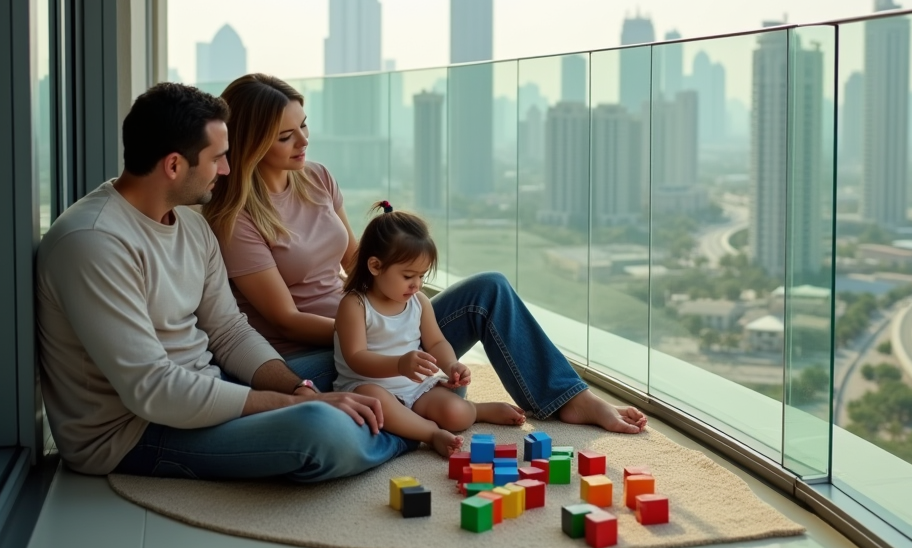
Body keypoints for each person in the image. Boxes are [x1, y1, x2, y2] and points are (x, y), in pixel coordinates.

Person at [204, 74, 647, 439]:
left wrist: (402, 313)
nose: (303, 140)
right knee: (382, 399)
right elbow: (283, 318)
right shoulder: (235, 218)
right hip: (316, 356)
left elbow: (359, 265)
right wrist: (371, 333)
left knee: (487, 290)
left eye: (304, 125)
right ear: (253, 142)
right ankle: (419, 425)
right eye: (286, 135)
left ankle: (569, 399)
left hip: (375, 329)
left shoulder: (317, 178)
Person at [36, 83, 400, 481]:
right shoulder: (93, 242)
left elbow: (228, 332)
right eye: (218, 158)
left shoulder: (190, 223)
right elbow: (153, 388)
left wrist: (300, 390)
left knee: (379, 365)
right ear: (174, 165)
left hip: (210, 387)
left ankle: (400, 414)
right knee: (319, 430)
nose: (227, 170)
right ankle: (406, 431)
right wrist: (289, 406)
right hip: (135, 431)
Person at [334, 203, 525, 456]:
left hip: (414, 386)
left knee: (455, 413)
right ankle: (429, 433)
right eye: (408, 276)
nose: (416, 285)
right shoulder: (355, 304)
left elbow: (436, 343)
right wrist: (399, 365)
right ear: (375, 266)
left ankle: (477, 410)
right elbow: (356, 358)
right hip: (366, 384)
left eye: (422, 276)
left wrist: (450, 365)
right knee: (377, 403)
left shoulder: (418, 302)